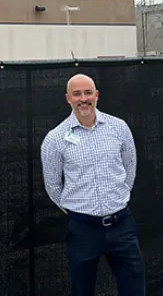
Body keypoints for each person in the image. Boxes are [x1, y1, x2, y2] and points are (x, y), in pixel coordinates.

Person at [40, 73, 145, 296]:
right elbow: (52, 185)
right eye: (77, 94)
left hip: (121, 226)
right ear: (68, 98)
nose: (83, 98)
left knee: (134, 288)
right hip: (83, 230)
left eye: (88, 92)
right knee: (83, 290)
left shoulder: (119, 128)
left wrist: (116, 199)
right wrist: (78, 209)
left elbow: (130, 170)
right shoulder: (55, 139)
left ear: (97, 95)